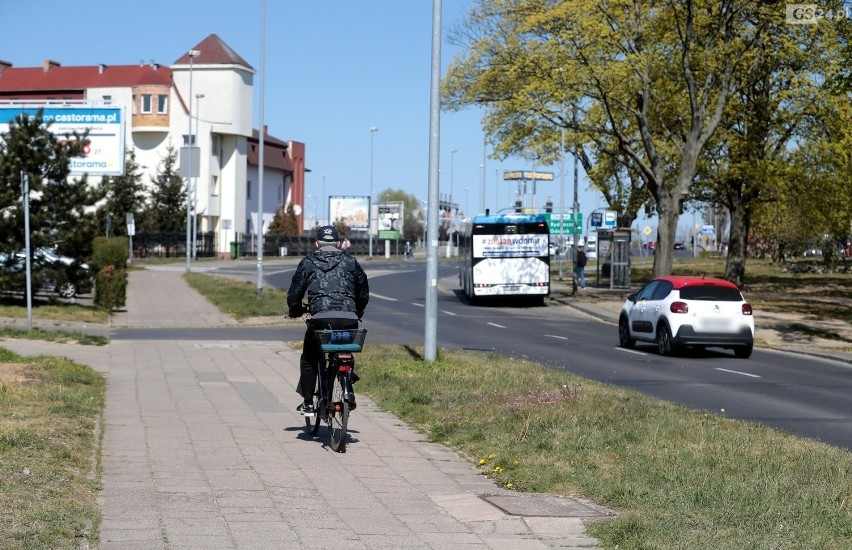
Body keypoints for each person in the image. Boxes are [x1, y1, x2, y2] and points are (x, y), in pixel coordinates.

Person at [287, 225, 369, 414]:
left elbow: (294, 294)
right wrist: (359, 310)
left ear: (317, 244)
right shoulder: (351, 261)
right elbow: (363, 290)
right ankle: (346, 383)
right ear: (339, 244)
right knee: (345, 348)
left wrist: (295, 310)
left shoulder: (308, 262)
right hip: (349, 318)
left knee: (309, 357)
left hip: (320, 320)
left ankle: (308, 402)